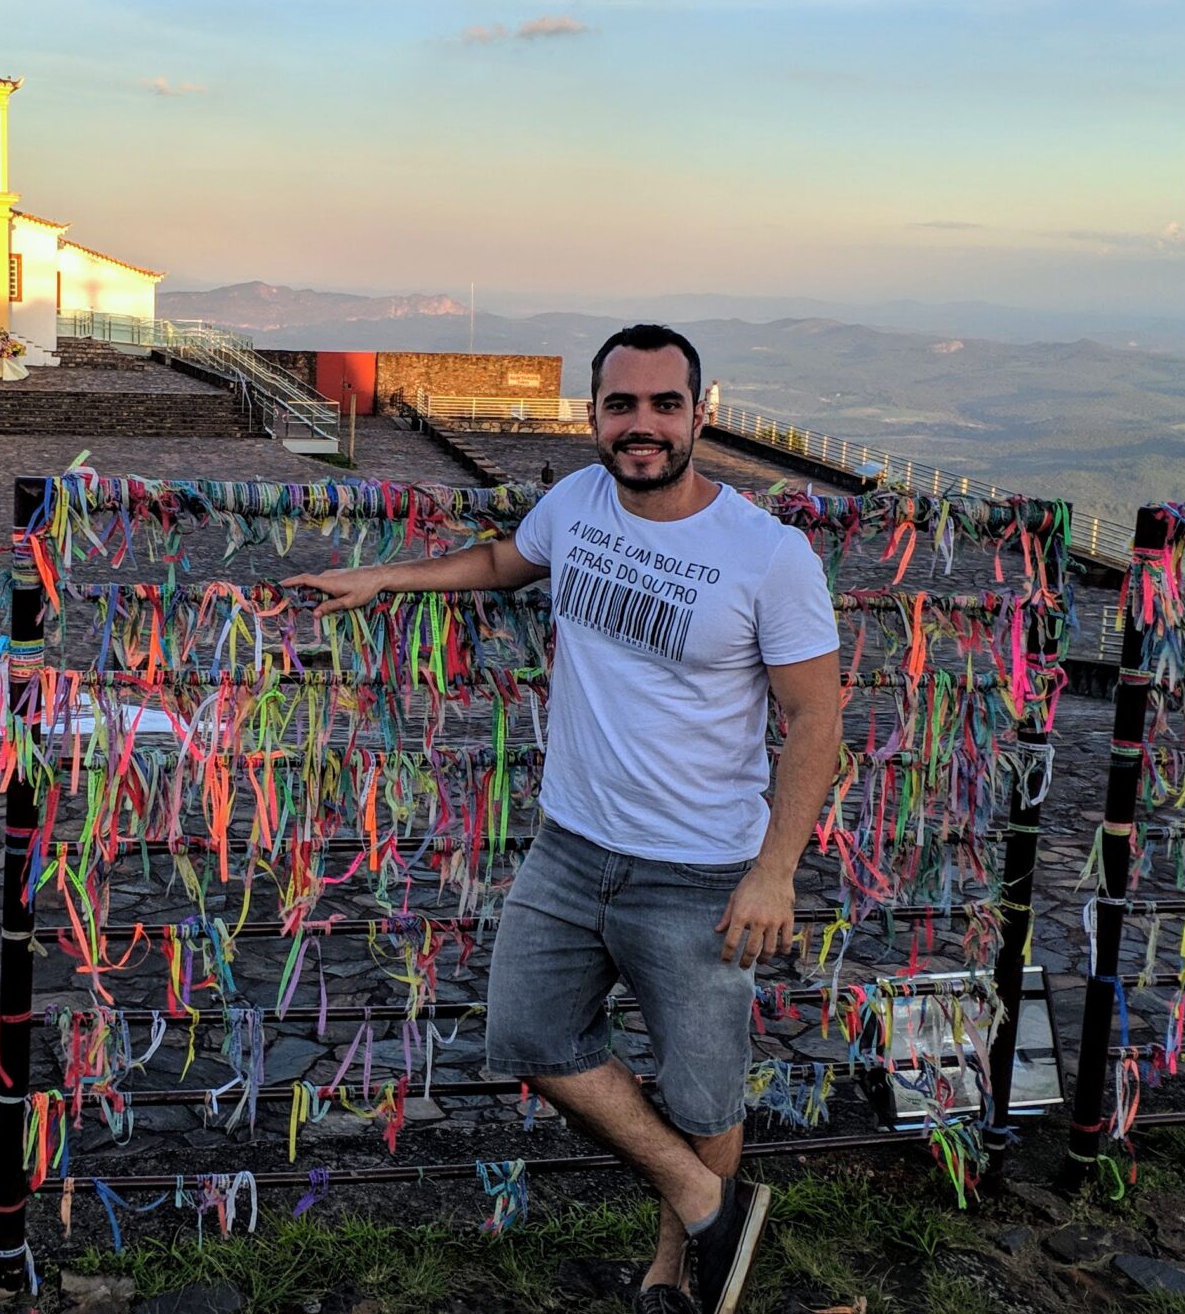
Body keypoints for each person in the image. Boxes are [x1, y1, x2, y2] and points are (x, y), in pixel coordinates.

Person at [282, 324, 842, 1314]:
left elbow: (815, 718)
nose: (642, 425)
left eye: (664, 405)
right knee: (529, 1035)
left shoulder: (768, 554)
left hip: (701, 870)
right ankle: (708, 1201)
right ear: (592, 417)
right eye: (621, 405)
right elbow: (505, 563)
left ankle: (676, 1273)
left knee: (704, 1093)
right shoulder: (577, 503)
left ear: (698, 416)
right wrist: (384, 579)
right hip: (571, 847)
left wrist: (773, 869)